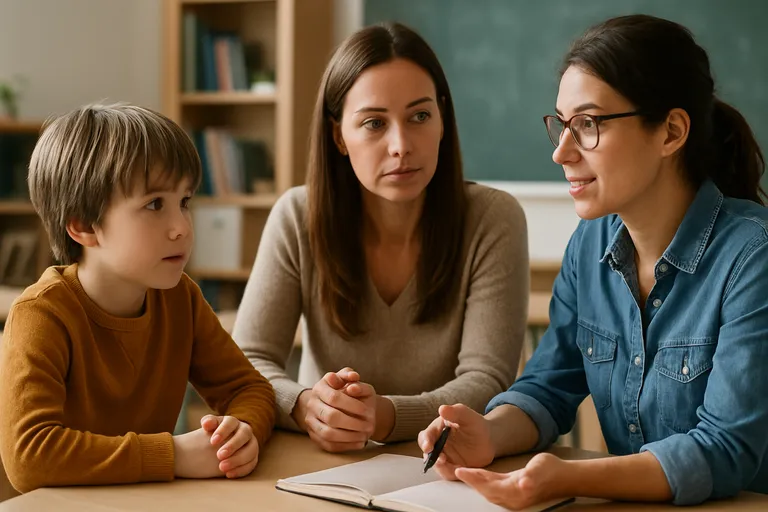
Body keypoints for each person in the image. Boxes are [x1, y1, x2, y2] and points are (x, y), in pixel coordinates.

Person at [419, 13, 768, 508]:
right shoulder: (590, 243)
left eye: (588, 125)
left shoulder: (753, 256)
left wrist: (571, 478)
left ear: (671, 132)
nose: (562, 152)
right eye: (561, 125)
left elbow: (725, 451)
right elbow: (548, 387)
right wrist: (489, 433)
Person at [232, 22, 529, 451]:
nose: (401, 145)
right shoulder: (296, 216)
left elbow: (487, 382)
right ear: (339, 136)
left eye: (420, 116)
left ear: (443, 120)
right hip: (321, 465)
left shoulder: (493, 218)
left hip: (444, 467)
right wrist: (305, 406)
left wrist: (384, 416)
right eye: (374, 123)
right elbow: (246, 364)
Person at [0, 104, 276, 493]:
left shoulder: (181, 299)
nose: (181, 227)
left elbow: (248, 389)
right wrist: (175, 455)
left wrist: (241, 431)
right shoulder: (42, 315)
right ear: (83, 225)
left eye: (184, 202)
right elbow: (29, 457)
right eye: (154, 205)